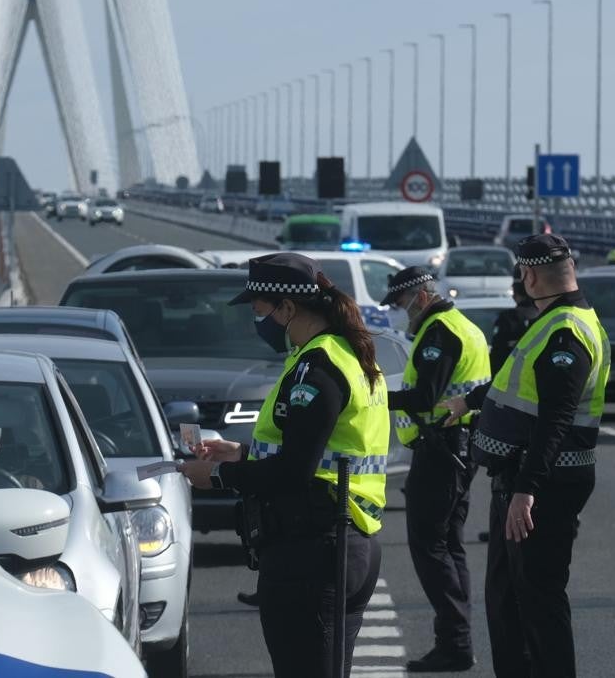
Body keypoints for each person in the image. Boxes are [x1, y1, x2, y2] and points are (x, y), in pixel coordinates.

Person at [179, 253, 390, 678]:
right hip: (347, 541)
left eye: (260, 311)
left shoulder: (318, 369)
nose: (258, 323)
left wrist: (218, 476)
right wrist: (239, 454)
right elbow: (310, 452)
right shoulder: (344, 355)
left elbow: (294, 473)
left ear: (287, 308)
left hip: (312, 551)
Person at [443, 234, 610, 678]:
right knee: (506, 597)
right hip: (522, 482)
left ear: (530, 275)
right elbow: (517, 385)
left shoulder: (566, 332)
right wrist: (471, 400)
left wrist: (526, 489)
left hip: (543, 486)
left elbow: (556, 417)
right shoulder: (556, 321)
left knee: (538, 600)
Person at [382, 267, 491, 673]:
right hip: (459, 448)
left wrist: (375, 395)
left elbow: (425, 395)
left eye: (399, 304)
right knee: (450, 546)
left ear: (420, 297)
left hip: (442, 451)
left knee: (430, 546)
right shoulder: (464, 325)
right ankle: (456, 642)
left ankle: (456, 642)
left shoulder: (440, 331)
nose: (398, 313)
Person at [489, 279, 540, 375]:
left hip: (509, 373)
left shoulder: (509, 317)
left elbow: (498, 349)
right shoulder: (541, 315)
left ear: (517, 295)